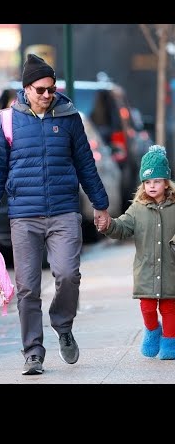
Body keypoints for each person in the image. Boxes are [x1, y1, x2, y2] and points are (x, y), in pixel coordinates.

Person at [0, 54, 111, 376]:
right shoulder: (6, 122)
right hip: (24, 216)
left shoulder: (68, 117)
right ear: (26, 89)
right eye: (40, 89)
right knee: (27, 287)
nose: (46, 95)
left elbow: (85, 164)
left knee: (68, 274)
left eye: (51, 89)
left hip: (64, 212)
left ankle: (62, 324)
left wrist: (100, 204)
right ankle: (33, 353)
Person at [97, 145, 175, 360]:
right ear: (142, 184)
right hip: (146, 270)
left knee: (169, 308)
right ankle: (152, 331)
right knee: (148, 308)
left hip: (170, 268)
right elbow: (123, 227)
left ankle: (170, 342)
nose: (152, 186)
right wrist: (108, 225)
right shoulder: (137, 208)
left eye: (157, 181)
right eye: (148, 182)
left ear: (166, 182)